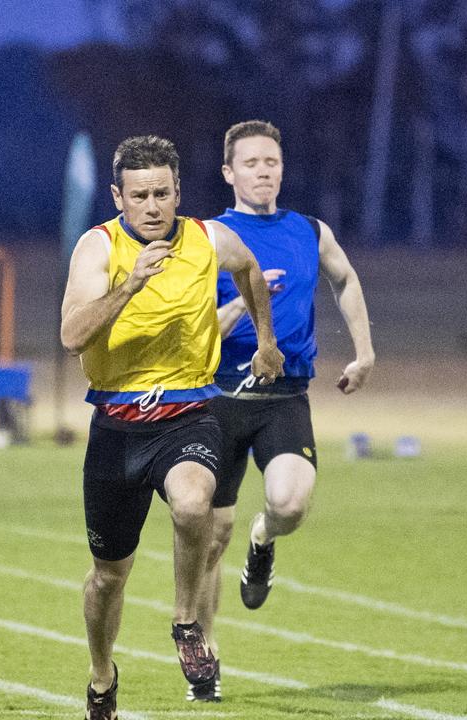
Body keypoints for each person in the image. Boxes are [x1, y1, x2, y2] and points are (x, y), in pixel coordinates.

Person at [60, 134, 285, 720]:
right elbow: (71, 336)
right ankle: (101, 673)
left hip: (187, 412)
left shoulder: (208, 238)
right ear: (118, 196)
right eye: (141, 196)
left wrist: (265, 342)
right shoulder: (98, 248)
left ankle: (187, 623)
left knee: (193, 505)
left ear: (179, 192)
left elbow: (251, 272)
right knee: (109, 578)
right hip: (116, 425)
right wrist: (131, 283)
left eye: (163, 193)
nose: (154, 206)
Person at [183, 119, 375, 702]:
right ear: (228, 173)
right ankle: (205, 659)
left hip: (285, 396)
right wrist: (247, 301)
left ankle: (263, 542)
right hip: (216, 398)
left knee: (289, 504)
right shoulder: (207, 239)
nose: (263, 171)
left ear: (281, 168)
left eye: (271, 162)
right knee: (211, 534)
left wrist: (364, 352)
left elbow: (345, 280)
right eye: (251, 163)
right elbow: (193, 335)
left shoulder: (310, 231)